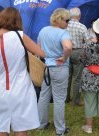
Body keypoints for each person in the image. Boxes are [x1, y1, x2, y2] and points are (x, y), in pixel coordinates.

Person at [0, 7, 45, 136]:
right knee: (21, 128)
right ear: (17, 21)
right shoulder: (20, 36)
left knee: (2, 127)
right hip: (21, 86)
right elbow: (41, 53)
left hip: (0, 87)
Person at [37, 8, 72, 136]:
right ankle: (60, 130)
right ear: (59, 20)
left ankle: (41, 123)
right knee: (59, 99)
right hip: (59, 68)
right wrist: (64, 57)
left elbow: (38, 49)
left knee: (43, 96)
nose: (68, 23)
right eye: (67, 20)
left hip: (46, 67)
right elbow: (68, 47)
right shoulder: (63, 33)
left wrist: (45, 59)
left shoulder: (43, 30)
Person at [66, 7, 89, 105]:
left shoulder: (65, 25)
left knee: (67, 76)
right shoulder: (82, 27)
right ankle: (75, 101)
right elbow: (87, 41)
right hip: (78, 51)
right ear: (79, 16)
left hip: (66, 51)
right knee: (77, 77)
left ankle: (65, 98)